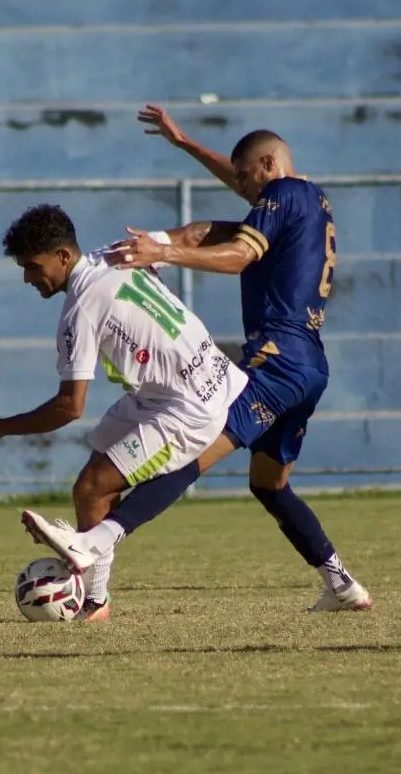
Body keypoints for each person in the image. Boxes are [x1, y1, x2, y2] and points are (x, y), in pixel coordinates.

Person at [22, 113, 372, 613]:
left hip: (277, 361)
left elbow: (236, 257)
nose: (242, 189)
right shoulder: (303, 203)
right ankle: (341, 584)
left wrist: (163, 255)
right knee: (269, 486)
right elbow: (204, 229)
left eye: (247, 178)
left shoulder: (285, 195)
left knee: (192, 457)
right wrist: (184, 148)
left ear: (270, 165)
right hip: (309, 363)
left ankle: (94, 542)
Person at [0, 204, 249, 621]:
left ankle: (95, 600)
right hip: (178, 387)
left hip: (190, 407)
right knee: (91, 485)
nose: (28, 279)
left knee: (92, 487)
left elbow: (69, 407)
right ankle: (96, 595)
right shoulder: (119, 251)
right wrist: (254, 231)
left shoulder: (80, 309)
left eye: (33, 267)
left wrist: (1, 426)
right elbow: (193, 234)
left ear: (63, 256)